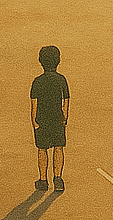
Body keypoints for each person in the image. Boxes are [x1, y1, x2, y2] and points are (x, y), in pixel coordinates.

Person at [30, 46, 70, 194]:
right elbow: (66, 99)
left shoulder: (37, 81)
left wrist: (34, 121)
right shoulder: (61, 79)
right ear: (58, 60)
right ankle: (58, 179)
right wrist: (64, 117)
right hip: (57, 119)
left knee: (42, 149)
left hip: (42, 120)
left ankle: (43, 180)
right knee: (58, 148)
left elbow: (34, 103)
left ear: (40, 61)